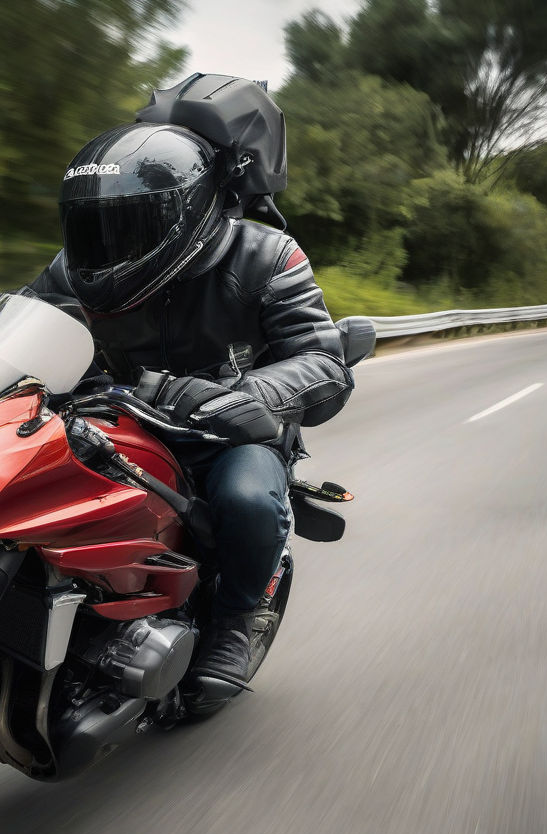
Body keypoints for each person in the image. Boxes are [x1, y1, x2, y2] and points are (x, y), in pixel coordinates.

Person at [27, 75, 355, 716]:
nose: (105, 246)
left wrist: (241, 396)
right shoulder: (75, 266)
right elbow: (22, 318)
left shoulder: (267, 256)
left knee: (246, 499)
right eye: (95, 227)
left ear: (187, 212)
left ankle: (238, 619)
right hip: (111, 415)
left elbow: (322, 360)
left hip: (225, 428)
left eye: (129, 224)